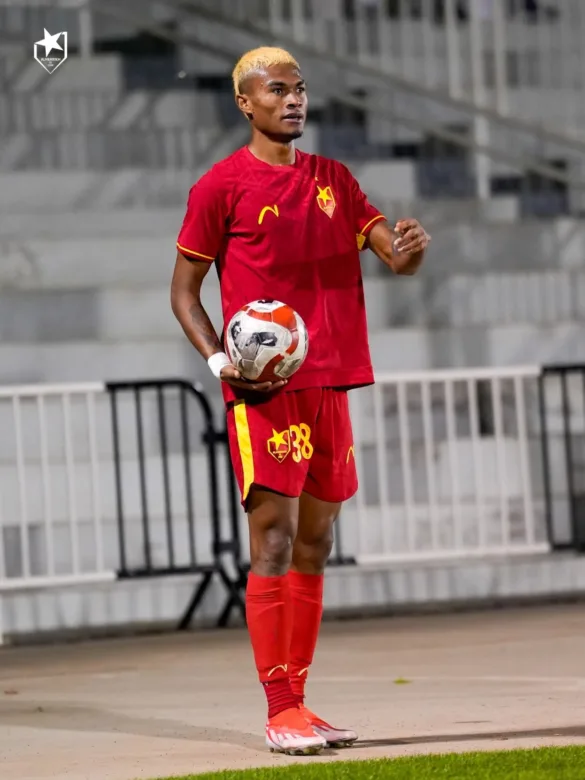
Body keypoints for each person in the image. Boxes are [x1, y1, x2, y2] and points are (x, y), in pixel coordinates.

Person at [171, 46, 429, 756]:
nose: (293, 100)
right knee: (275, 540)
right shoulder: (220, 187)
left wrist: (408, 248)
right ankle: (278, 708)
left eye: (300, 89)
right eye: (276, 90)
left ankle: (301, 704)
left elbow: (394, 256)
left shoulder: (333, 180)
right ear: (244, 103)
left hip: (331, 383)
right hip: (265, 392)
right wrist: (222, 363)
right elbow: (184, 293)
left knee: (315, 544)